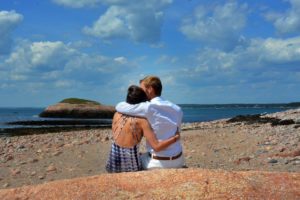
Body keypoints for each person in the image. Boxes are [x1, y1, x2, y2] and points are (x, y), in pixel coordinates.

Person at [106, 85, 180, 173]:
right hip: (130, 166)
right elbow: (157, 147)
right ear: (142, 103)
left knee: (142, 154)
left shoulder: (116, 114)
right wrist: (175, 138)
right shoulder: (142, 121)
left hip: (113, 160)